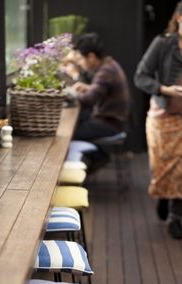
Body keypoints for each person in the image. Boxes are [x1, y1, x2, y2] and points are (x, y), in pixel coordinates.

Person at [134, 1, 182, 238]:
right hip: (163, 117)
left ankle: (176, 215)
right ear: (179, 19)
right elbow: (140, 77)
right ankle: (164, 194)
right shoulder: (163, 44)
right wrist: (164, 89)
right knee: (164, 166)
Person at [67, 32, 131, 171]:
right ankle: (92, 160)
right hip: (112, 120)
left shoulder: (105, 71)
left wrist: (72, 93)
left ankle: (99, 158)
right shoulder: (109, 64)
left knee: (67, 134)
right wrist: (88, 88)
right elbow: (98, 91)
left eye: (80, 59)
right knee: (77, 123)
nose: (80, 63)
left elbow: (90, 99)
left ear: (91, 56)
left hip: (111, 124)